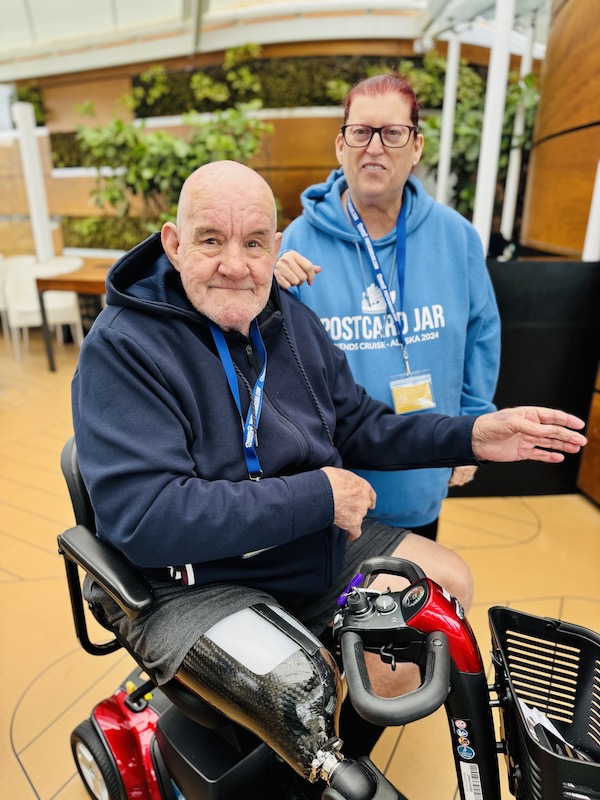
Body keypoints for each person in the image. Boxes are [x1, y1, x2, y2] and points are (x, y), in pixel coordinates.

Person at [71, 160, 585, 788]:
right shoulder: (123, 349)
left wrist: (472, 436)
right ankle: (308, 764)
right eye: (211, 240)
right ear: (174, 244)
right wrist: (318, 494)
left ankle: (327, 757)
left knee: (441, 590)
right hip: (191, 583)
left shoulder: (291, 324)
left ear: (276, 248)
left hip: (302, 550)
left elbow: (363, 426)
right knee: (299, 684)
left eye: (254, 242)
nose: (235, 264)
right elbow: (145, 519)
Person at [276, 71, 501, 541]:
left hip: (422, 466)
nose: (374, 147)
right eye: (361, 132)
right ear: (341, 145)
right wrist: (268, 293)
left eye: (393, 133)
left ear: (416, 146)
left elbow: (482, 333)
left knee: (411, 599)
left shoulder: (455, 236)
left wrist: (472, 427)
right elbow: (279, 365)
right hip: (334, 477)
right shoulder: (299, 241)